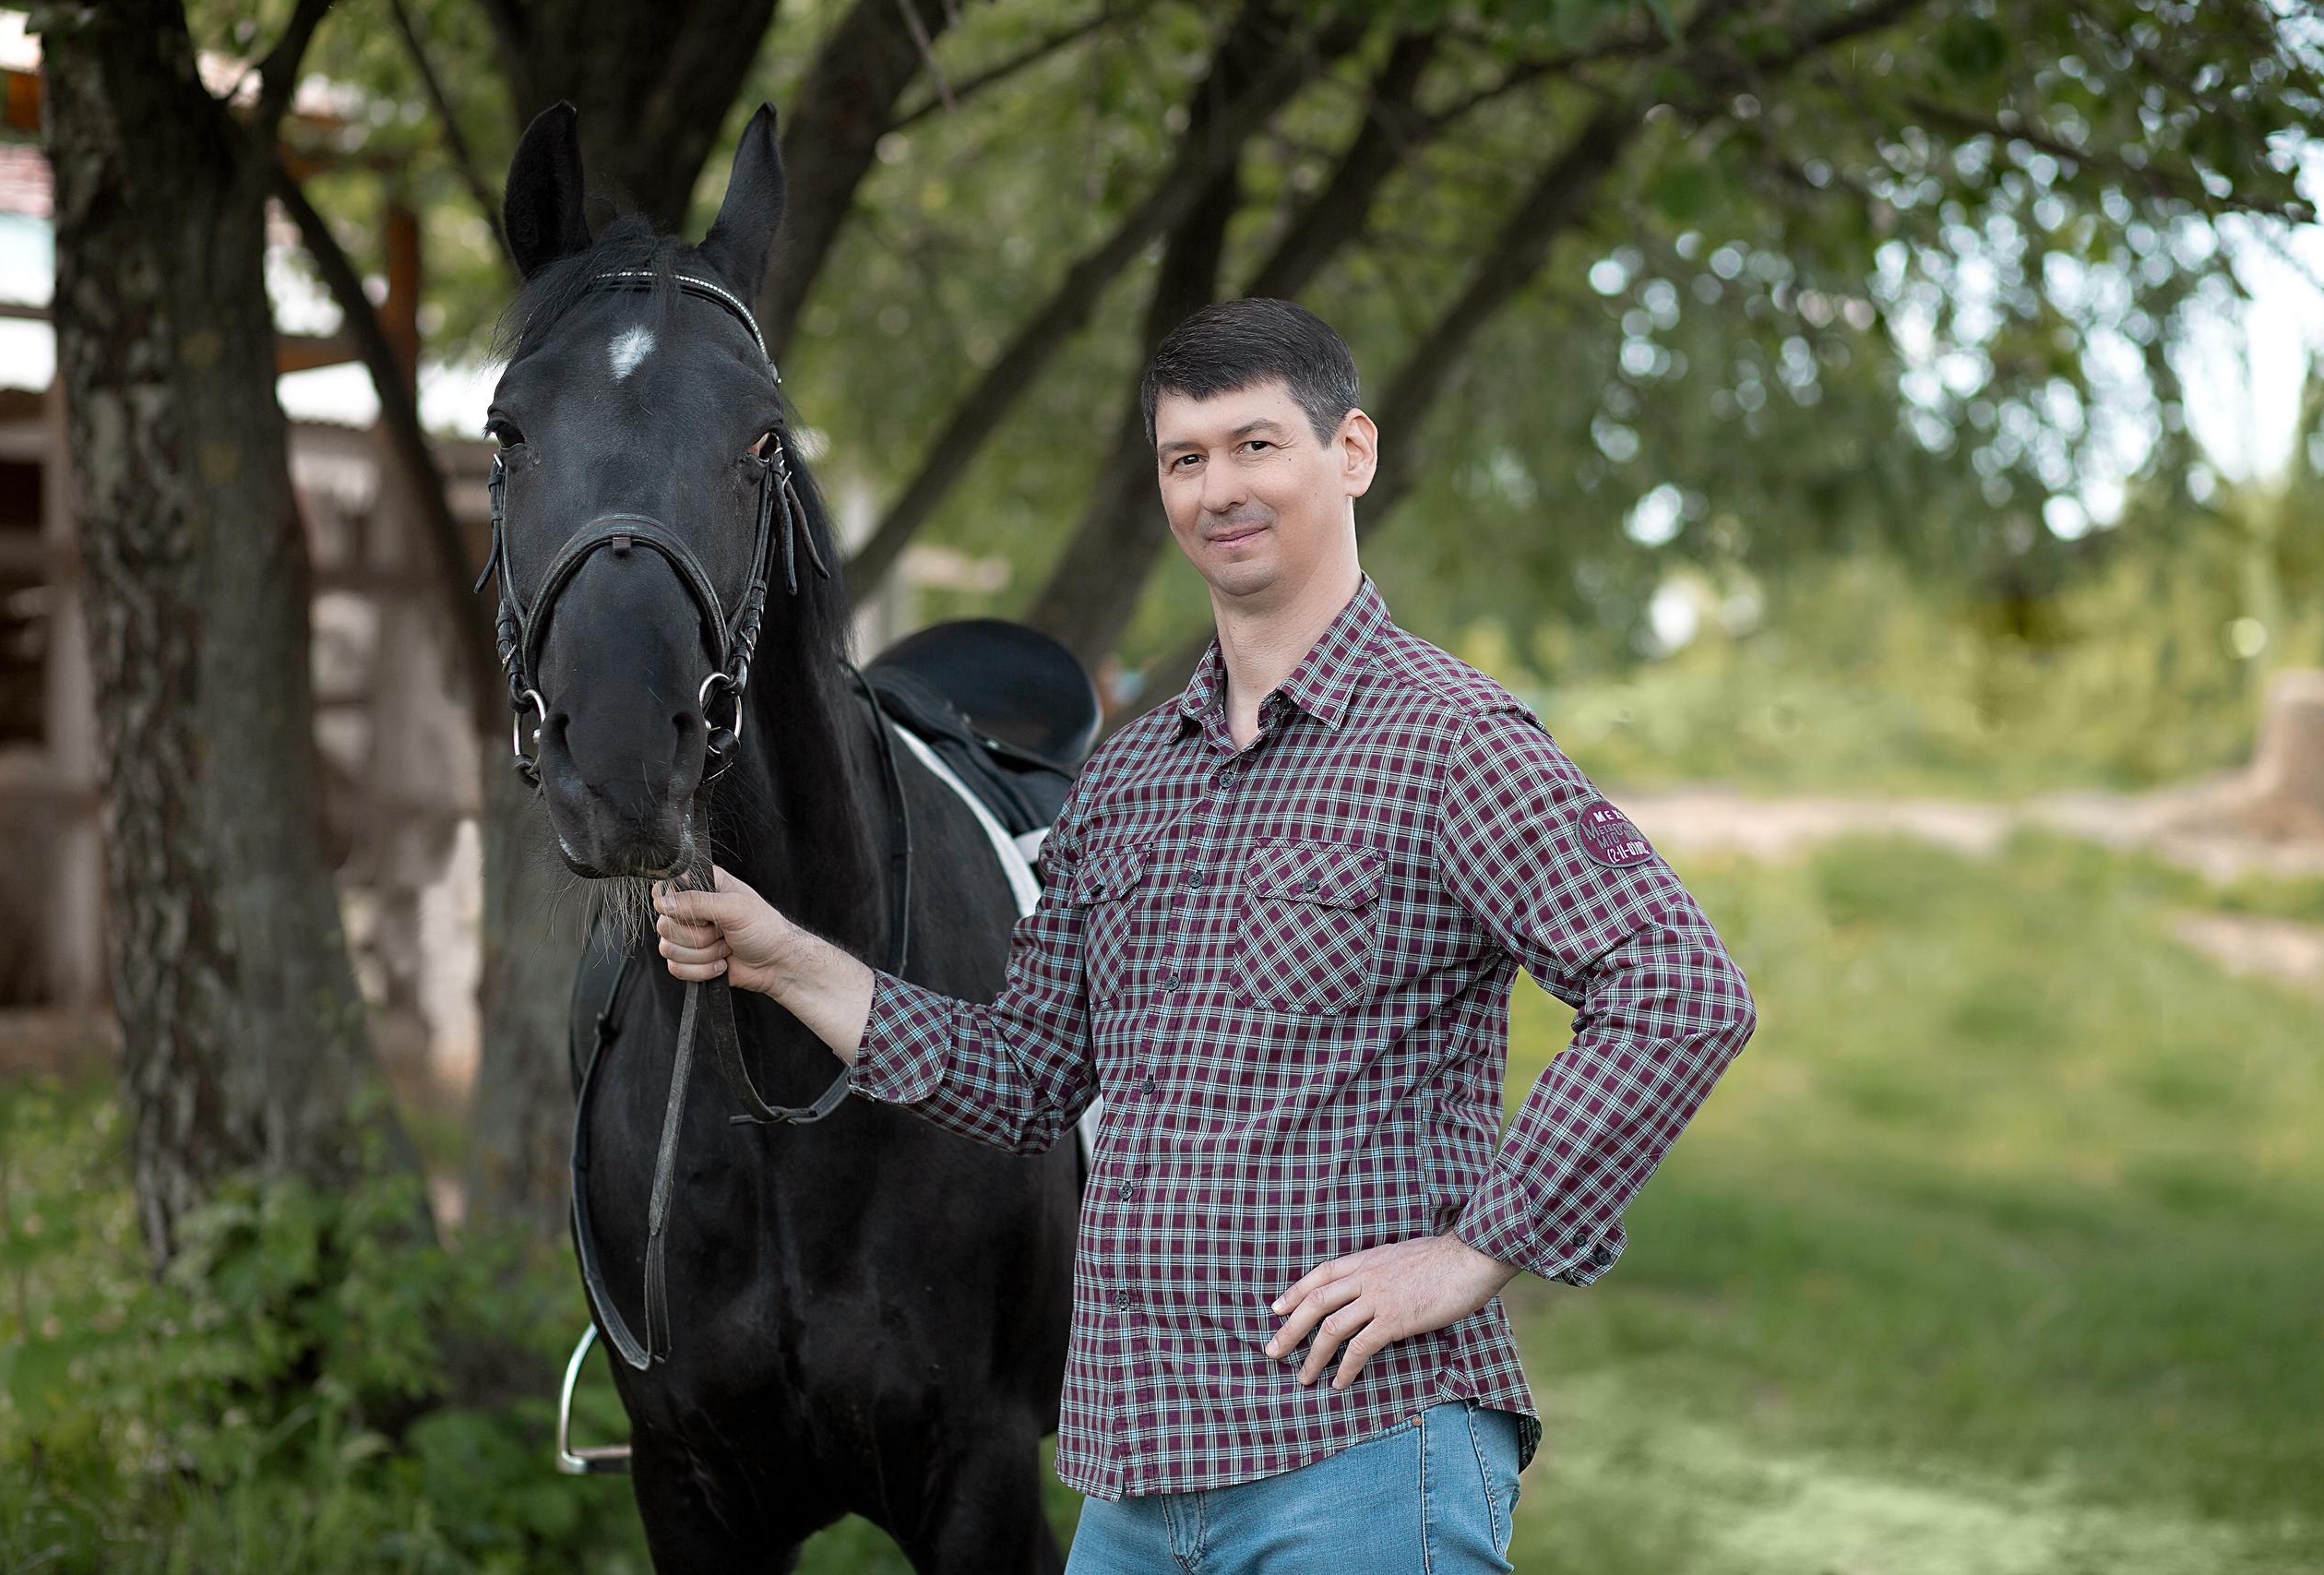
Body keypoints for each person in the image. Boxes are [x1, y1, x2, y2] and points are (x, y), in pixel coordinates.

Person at [654, 298, 1757, 1570]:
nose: (1218, 489)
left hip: (1360, 1458)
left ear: (1351, 452)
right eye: (1186, 459)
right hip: (1134, 1489)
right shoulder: (1128, 787)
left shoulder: (1449, 741)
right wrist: (786, 955)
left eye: (1255, 446)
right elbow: (1024, 1081)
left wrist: (1478, 1250)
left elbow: (1677, 991)